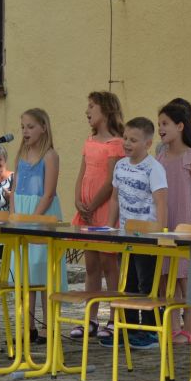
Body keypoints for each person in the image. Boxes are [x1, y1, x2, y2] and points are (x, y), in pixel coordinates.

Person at [103, 117, 168, 349]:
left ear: (148, 144)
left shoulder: (154, 168)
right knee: (127, 283)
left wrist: (160, 233)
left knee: (147, 283)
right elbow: (114, 199)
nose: (127, 143)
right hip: (125, 235)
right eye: (125, 138)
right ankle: (128, 329)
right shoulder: (120, 166)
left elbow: (161, 202)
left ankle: (151, 331)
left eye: (133, 140)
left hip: (148, 238)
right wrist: (109, 228)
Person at [70, 91, 125, 340]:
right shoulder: (89, 141)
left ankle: (114, 318)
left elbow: (111, 181)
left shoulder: (116, 144)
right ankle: (90, 319)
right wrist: (78, 200)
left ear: (106, 110)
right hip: (87, 212)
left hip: (102, 211)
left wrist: (92, 205)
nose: (87, 111)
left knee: (108, 264)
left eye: (92, 106)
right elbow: (82, 173)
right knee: (91, 265)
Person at [11, 108, 66, 344]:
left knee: (43, 270)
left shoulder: (50, 156)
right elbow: (14, 189)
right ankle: (28, 325)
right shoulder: (21, 153)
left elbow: (48, 193)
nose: (25, 131)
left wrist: (32, 219)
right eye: (23, 127)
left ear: (44, 128)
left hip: (42, 215)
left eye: (31, 127)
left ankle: (48, 325)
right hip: (22, 214)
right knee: (25, 272)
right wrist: (14, 215)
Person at [156, 102, 191, 345]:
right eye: (158, 125)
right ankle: (174, 327)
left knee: (186, 275)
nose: (160, 129)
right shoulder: (160, 157)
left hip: (186, 221)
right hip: (167, 220)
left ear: (180, 126)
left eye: (165, 124)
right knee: (169, 275)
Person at [0, 144, 13, 259]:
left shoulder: (14, 179)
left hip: (4, 235)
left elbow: (22, 206)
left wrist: (12, 199)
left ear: (5, 160)